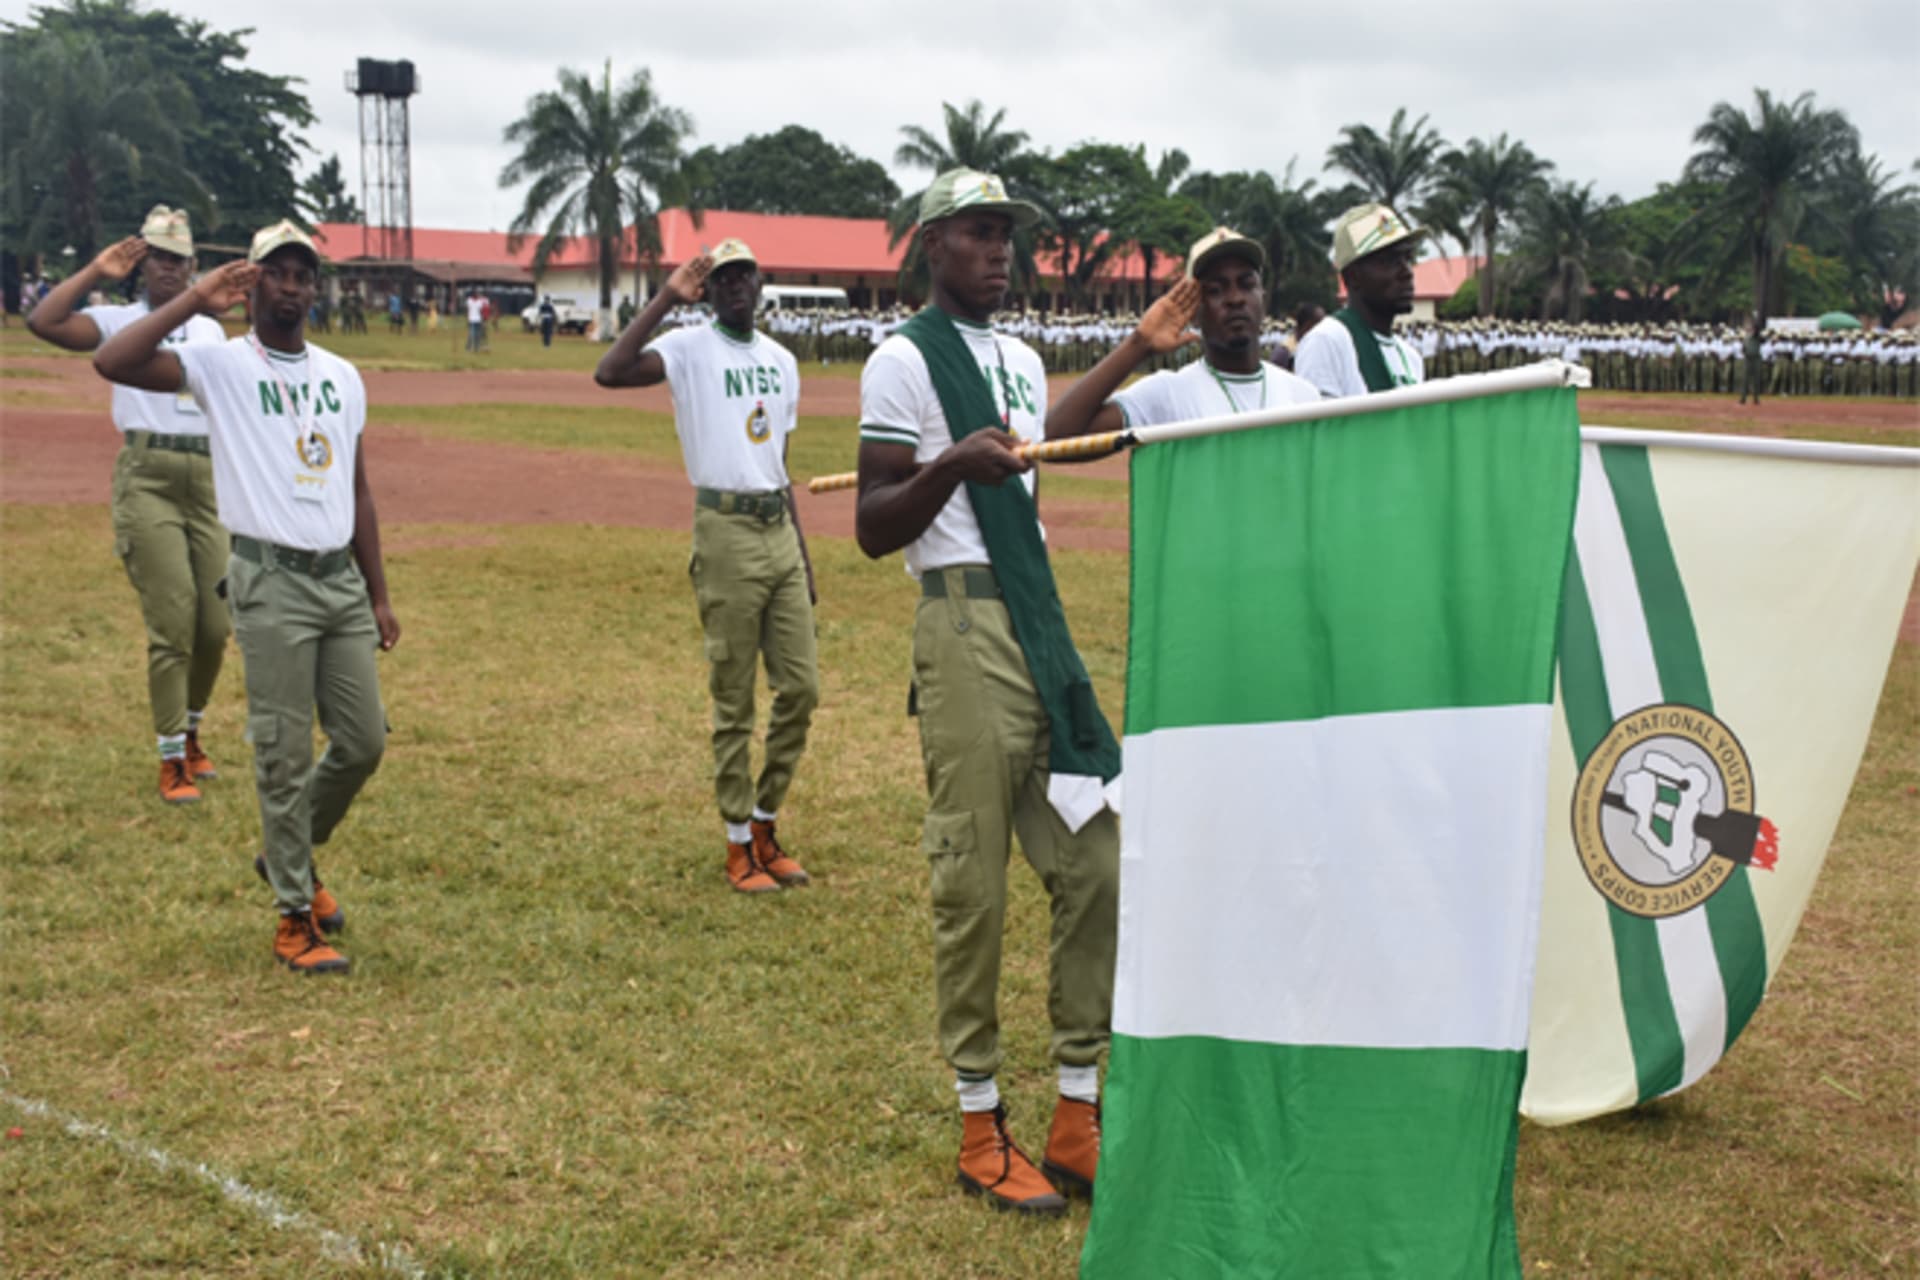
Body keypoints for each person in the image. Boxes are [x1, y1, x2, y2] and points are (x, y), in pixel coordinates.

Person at [853, 168, 1120, 1217]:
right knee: (976, 881)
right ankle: (977, 1121)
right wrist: (953, 465)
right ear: (932, 245)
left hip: (1037, 618)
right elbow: (874, 524)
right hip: (959, 623)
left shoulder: (1021, 357)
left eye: (1008, 233)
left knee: (1096, 856)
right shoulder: (900, 360)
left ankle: (1075, 1111)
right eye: (978, 233)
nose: (1001, 250)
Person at [95, 220, 400, 976]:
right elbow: (114, 358)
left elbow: (355, 489)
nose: (292, 287)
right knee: (283, 750)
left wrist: (380, 593)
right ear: (252, 281)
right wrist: (195, 297)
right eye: (278, 273)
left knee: (363, 742)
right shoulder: (220, 364)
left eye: (304, 276)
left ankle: (284, 853)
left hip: (339, 582)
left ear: (313, 289)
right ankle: (295, 917)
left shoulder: (342, 375)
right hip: (269, 581)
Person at [594, 238, 819, 894]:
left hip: (777, 528)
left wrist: (802, 555)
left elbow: (780, 464)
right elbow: (611, 370)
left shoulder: (782, 361)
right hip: (723, 531)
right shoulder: (689, 347)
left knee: (802, 689)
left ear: (760, 280)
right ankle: (736, 845)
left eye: (744, 273)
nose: (734, 286)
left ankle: (765, 818)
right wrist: (666, 297)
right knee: (734, 696)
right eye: (720, 278)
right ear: (708, 290)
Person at [27, 206, 232, 804]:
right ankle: (171, 757)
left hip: (207, 476)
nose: (169, 269)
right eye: (158, 257)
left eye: (178, 259)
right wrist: (95, 269)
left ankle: (192, 731)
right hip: (148, 477)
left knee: (215, 626)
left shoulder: (210, 328)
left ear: (193, 265)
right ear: (142, 264)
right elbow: (44, 320)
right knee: (173, 621)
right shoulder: (119, 321)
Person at [1046, 227, 1322, 446]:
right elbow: (1057, 436)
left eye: (1247, 284)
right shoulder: (1168, 394)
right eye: (1215, 290)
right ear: (1192, 310)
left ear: (1264, 297)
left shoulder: (1303, 396)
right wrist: (1138, 345)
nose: (1235, 299)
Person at [1294, 202, 1427, 397]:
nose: (1406, 272)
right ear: (1352, 276)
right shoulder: (1327, 342)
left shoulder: (1410, 357)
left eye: (1407, 258)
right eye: (1389, 260)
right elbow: (1321, 426)